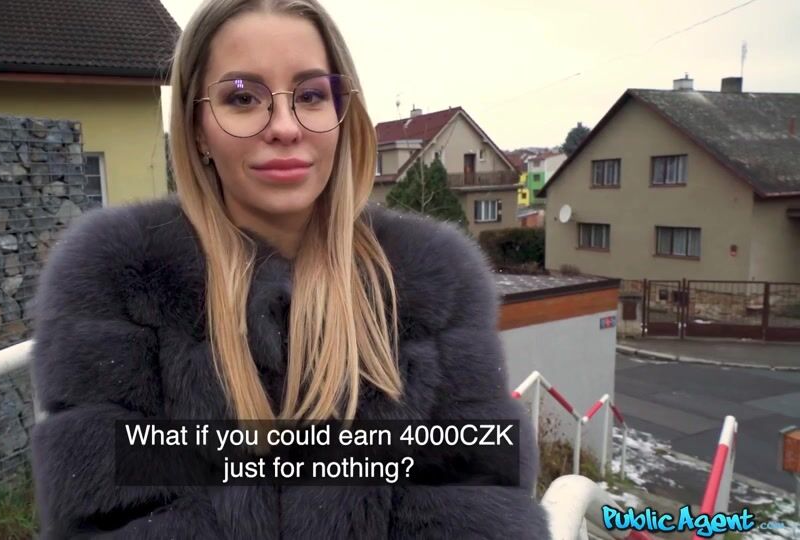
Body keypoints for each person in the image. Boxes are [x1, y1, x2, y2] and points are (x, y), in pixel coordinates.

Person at [28, 0, 550, 538]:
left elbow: (472, 495)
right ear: (197, 128)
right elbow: (111, 511)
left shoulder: (434, 281)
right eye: (242, 98)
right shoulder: (122, 279)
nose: (284, 126)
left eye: (310, 95)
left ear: (342, 114)